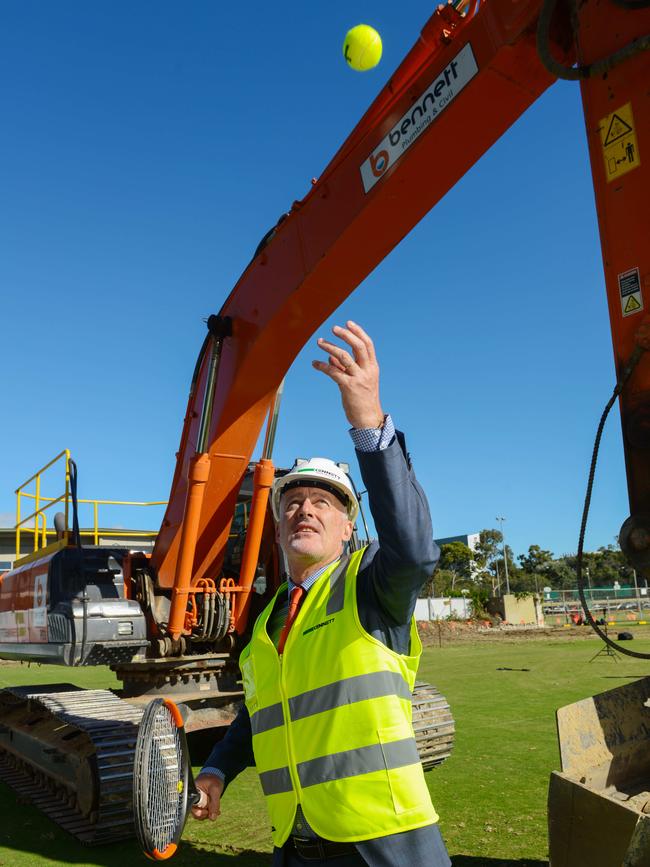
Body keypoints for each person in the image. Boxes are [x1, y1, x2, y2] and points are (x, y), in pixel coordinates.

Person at [193, 321, 451, 867]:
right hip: (294, 846)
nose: (304, 509)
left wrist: (368, 423)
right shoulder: (264, 625)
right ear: (277, 525)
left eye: (324, 503)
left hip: (384, 844)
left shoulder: (371, 585)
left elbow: (415, 549)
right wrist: (216, 769)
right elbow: (263, 712)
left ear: (346, 529)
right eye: (292, 502)